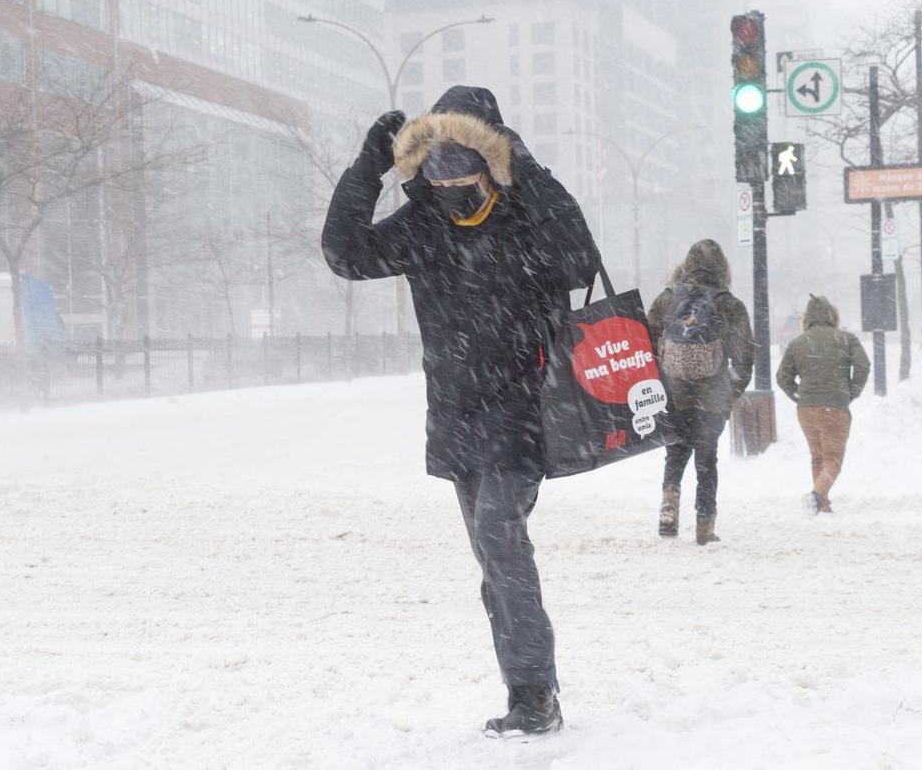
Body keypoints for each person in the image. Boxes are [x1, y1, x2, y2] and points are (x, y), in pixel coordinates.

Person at [321, 86, 599, 738]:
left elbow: (580, 258)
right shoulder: (423, 228)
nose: (454, 175)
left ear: (490, 153)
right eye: (440, 161)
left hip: (528, 414)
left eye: (468, 156)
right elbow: (346, 254)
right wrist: (369, 165)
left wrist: (524, 166)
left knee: (501, 538)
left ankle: (535, 697)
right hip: (457, 419)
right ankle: (528, 684)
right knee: (495, 564)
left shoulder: (526, 217)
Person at [646, 240, 754, 545]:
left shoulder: (667, 300)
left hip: (674, 392)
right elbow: (745, 355)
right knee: (707, 460)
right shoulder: (729, 304)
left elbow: (647, 341)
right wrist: (731, 392)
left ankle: (669, 501)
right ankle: (705, 524)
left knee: (676, 450)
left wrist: (662, 379)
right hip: (713, 396)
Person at [775, 295, 870, 514]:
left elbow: (782, 377)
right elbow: (863, 365)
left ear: (806, 318)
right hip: (835, 408)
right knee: (833, 459)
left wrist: (799, 394)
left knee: (818, 456)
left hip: (806, 410)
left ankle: (822, 503)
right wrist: (852, 391)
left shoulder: (798, 342)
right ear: (833, 316)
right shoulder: (846, 339)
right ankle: (817, 497)